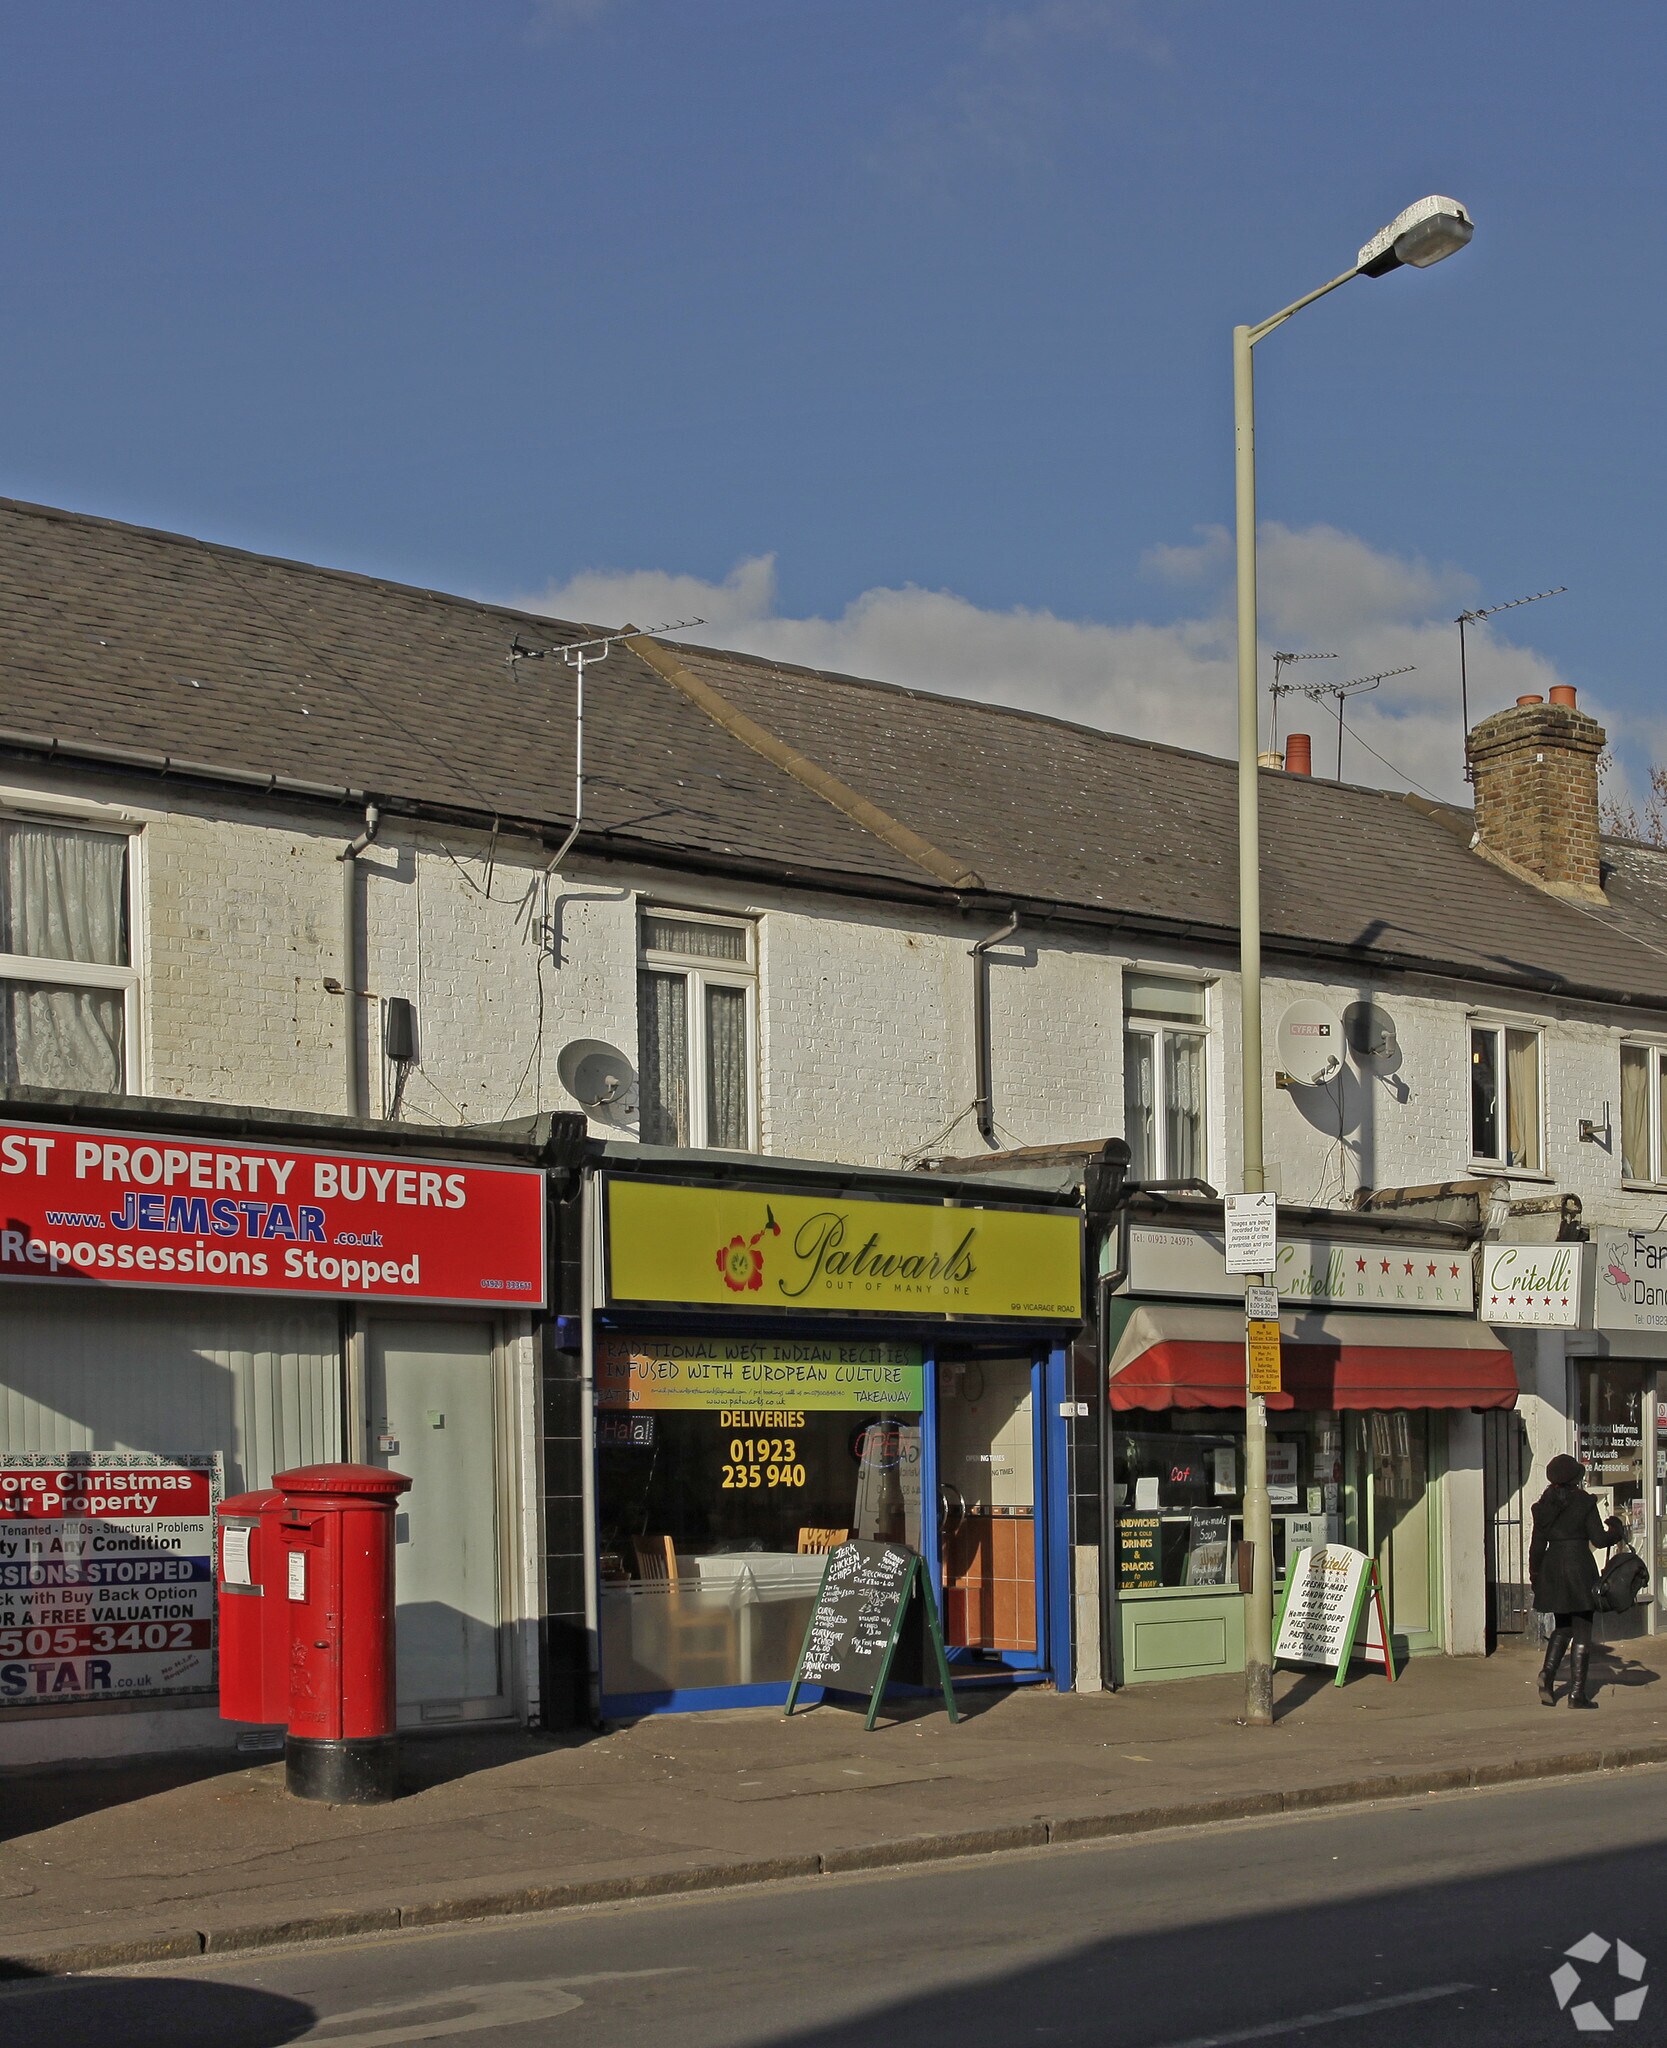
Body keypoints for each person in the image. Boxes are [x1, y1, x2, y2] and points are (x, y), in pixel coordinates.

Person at [1530, 1454, 1624, 1709]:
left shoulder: (1543, 1505)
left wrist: (1535, 1576)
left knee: (1563, 1627)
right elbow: (1599, 1539)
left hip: (1552, 1568)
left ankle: (1547, 1676)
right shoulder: (1584, 1502)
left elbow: (1537, 1547)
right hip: (1578, 1566)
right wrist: (1617, 1530)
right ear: (1575, 1478)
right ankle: (1577, 1694)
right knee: (1582, 1628)